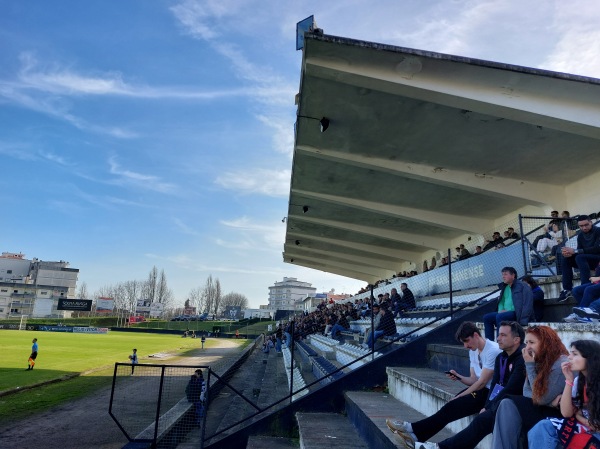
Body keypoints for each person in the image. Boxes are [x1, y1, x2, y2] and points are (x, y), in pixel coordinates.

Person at [395, 322, 525, 449]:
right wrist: (459, 377)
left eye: (503, 335)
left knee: (473, 418)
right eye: (499, 334)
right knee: (453, 408)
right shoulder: (498, 356)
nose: (498, 338)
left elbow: (488, 384)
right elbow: (477, 380)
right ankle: (418, 434)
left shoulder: (498, 352)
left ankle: (425, 438)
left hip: (495, 397)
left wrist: (486, 406)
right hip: (492, 396)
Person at [490, 325, 569, 449]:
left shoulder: (560, 364)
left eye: (532, 342)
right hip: (545, 406)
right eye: (526, 343)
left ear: (546, 343)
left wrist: (530, 365)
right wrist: (550, 403)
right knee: (506, 403)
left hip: (557, 415)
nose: (527, 348)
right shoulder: (539, 359)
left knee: (508, 404)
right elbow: (526, 392)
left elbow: (541, 398)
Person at [528, 340, 600, 449]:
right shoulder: (578, 381)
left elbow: (597, 427)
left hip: (593, 429)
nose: (569, 357)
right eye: (570, 353)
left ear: (590, 358)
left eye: (575, 354)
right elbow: (566, 413)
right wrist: (569, 380)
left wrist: (578, 417)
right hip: (585, 425)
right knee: (543, 426)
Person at [483, 267, 534, 341]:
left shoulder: (523, 286)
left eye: (505, 274)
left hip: (517, 314)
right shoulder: (505, 287)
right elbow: (501, 301)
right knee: (487, 317)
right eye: (502, 274)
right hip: (505, 313)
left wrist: (523, 320)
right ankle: (489, 343)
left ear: (513, 275)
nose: (503, 276)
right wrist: (501, 310)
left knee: (500, 317)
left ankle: (499, 342)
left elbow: (527, 304)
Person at [558, 215, 600, 302]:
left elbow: (597, 248)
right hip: (587, 259)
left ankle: (584, 285)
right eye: (581, 226)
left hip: (598, 259)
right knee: (566, 259)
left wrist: (575, 251)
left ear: (591, 222)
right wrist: (569, 254)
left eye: (586, 225)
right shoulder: (580, 235)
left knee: (580, 257)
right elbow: (579, 250)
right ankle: (567, 289)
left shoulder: (598, 231)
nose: (584, 227)